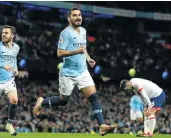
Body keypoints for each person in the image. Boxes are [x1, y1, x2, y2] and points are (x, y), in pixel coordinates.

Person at [33, 8, 116, 136]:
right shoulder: (65, 33)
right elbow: (59, 53)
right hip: (68, 73)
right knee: (63, 101)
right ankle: (41, 102)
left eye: (79, 15)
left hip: (83, 71)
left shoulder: (83, 31)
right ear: (69, 18)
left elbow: (83, 48)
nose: (78, 17)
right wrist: (75, 52)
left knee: (93, 97)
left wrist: (88, 59)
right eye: (74, 15)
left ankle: (102, 126)